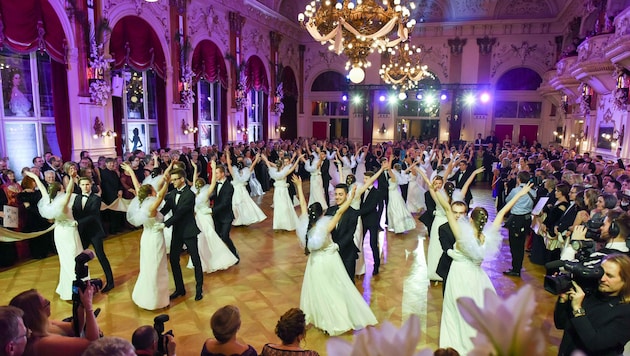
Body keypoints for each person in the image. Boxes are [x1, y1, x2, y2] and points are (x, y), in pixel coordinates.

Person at [426, 166, 534, 354]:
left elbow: (446, 209)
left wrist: (434, 189)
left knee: (453, 309)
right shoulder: (489, 236)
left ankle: (454, 345)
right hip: (478, 278)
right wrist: (520, 195)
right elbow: (501, 213)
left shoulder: (462, 236)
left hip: (459, 275)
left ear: (470, 219)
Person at [294, 175, 378, 336]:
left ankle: (329, 316)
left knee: (327, 289)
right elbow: (339, 212)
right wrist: (352, 198)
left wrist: (299, 186)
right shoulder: (327, 221)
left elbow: (303, 206)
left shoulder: (306, 225)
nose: (337, 197)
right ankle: (333, 317)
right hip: (329, 259)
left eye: (340, 194)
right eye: (336, 194)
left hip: (324, 259)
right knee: (331, 289)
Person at [554, 254, 630, 355]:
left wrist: (577, 309)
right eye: (600, 272)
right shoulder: (590, 293)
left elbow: (595, 343)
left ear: (625, 281)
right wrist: (563, 301)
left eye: (609, 276)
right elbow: (561, 324)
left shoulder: (626, 312)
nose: (602, 278)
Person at [24, 171, 82, 301]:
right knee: (75, 259)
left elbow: (43, 188)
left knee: (65, 261)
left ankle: (66, 289)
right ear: (60, 190)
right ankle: (75, 290)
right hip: (69, 231)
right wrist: (72, 179)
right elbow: (69, 191)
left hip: (58, 232)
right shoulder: (63, 201)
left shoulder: (47, 201)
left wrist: (34, 176)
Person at [122, 162, 170, 310]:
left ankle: (147, 295)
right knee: (156, 267)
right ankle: (155, 300)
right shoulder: (151, 207)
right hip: (155, 239)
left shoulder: (141, 203)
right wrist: (166, 183)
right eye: (153, 191)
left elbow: (138, 188)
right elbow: (161, 196)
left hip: (146, 238)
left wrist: (130, 170)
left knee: (148, 267)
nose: (156, 192)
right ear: (150, 195)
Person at [9, 287, 100, 356]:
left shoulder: (44, 325)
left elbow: (74, 328)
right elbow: (93, 345)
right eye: (46, 304)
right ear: (37, 314)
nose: (49, 302)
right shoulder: (43, 343)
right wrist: (89, 308)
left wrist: (81, 305)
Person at [160, 168, 204, 301]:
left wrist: (164, 224)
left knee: (196, 260)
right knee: (173, 260)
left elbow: (180, 213)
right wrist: (153, 218)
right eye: (171, 180)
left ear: (182, 179)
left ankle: (199, 290)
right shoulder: (173, 193)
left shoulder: (190, 195)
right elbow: (164, 210)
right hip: (177, 232)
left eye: (174, 180)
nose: (172, 182)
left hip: (189, 231)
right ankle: (180, 289)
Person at [73, 177, 114, 292]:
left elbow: (93, 215)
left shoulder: (96, 199)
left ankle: (110, 282)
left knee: (101, 256)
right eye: (83, 185)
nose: (85, 187)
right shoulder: (77, 198)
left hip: (94, 232)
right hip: (82, 232)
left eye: (87, 184)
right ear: (79, 186)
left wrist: (77, 222)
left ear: (91, 185)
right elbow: (74, 212)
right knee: (80, 258)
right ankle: (82, 282)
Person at [503, 171, 535, 278]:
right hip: (526, 219)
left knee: (514, 245)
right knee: (521, 244)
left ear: (519, 179)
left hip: (516, 219)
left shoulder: (516, 190)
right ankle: (518, 267)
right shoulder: (533, 191)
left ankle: (515, 269)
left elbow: (507, 200)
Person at [435, 200, 468, 296]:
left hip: (466, 268)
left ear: (465, 214)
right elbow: (445, 246)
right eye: (455, 212)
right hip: (449, 264)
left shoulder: (470, 228)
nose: (458, 216)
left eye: (461, 213)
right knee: (448, 293)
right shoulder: (443, 228)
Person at [263, 154, 301, 231]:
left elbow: (268, 164)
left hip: (277, 192)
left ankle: (279, 225)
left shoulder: (273, 172)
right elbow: (293, 167)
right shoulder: (284, 172)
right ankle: (286, 224)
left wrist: (265, 159)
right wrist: (298, 159)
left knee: (278, 208)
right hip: (283, 191)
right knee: (285, 207)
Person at [226, 153, 266, 227]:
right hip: (243, 191)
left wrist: (227, 154)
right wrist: (256, 158)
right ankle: (243, 219)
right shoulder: (246, 172)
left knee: (236, 205)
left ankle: (240, 220)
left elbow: (228, 164)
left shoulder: (234, 172)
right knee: (246, 205)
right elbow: (253, 165)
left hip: (237, 191)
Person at [211, 163, 240, 260]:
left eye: (217, 173)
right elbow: (215, 196)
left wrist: (211, 210)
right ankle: (222, 257)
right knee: (218, 236)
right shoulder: (216, 184)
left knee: (225, 236)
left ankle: (234, 254)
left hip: (226, 216)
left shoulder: (229, 187)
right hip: (217, 216)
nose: (215, 176)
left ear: (223, 174)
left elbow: (225, 203)